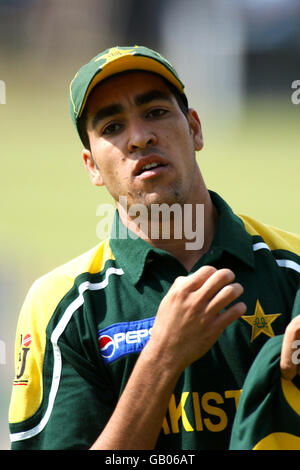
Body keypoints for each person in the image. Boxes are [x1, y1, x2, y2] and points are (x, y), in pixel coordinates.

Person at [9, 46, 300, 450]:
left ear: (195, 129)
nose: (140, 137)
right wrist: (162, 358)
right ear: (91, 165)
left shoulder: (293, 267)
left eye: (156, 112)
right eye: (111, 127)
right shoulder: (59, 307)